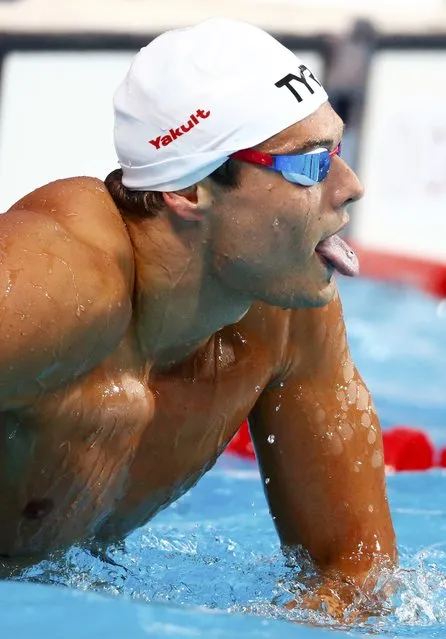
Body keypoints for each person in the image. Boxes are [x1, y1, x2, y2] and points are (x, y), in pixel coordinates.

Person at [0, 18, 396, 619]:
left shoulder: (284, 313)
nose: (350, 185)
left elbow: (354, 576)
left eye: (337, 151)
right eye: (309, 164)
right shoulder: (54, 287)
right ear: (190, 189)